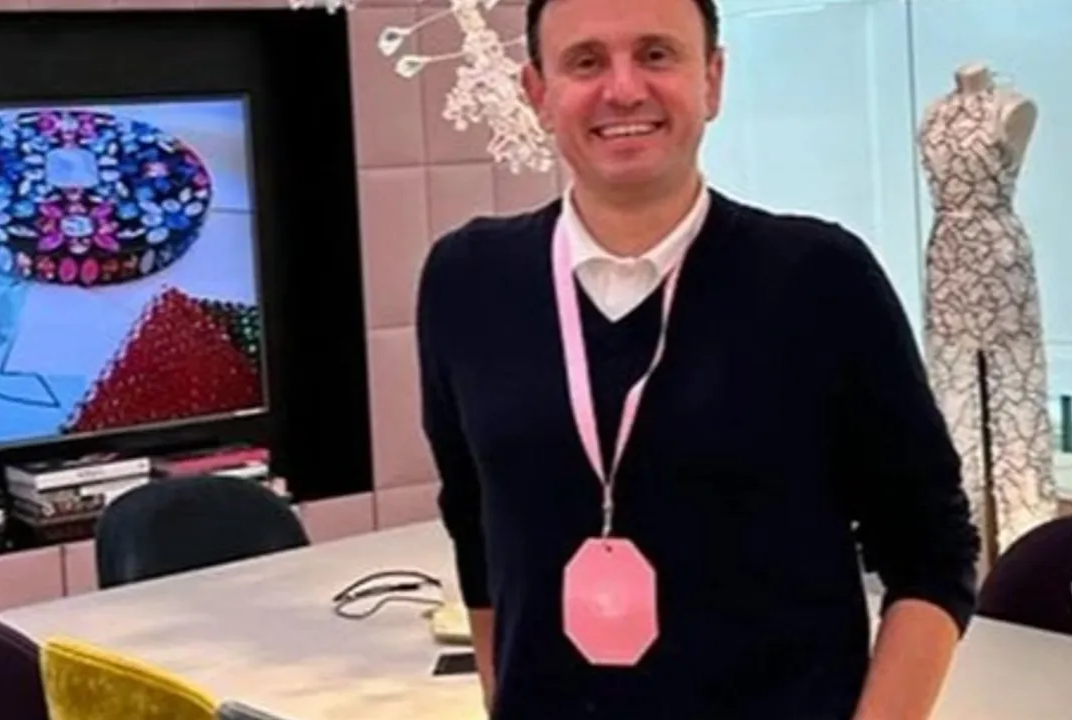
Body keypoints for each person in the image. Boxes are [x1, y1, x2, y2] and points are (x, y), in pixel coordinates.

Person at [414, 0, 981, 716]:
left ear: (712, 80)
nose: (623, 89)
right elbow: (473, 524)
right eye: (586, 62)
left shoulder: (820, 278)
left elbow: (931, 547)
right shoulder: (467, 281)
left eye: (656, 54)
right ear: (539, 93)